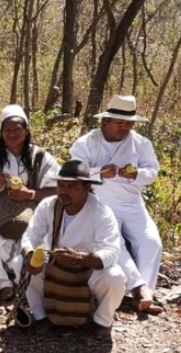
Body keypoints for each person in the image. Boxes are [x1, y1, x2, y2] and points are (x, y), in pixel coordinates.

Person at [69, 95, 163, 314]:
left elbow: (152, 171)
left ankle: (144, 292)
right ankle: (139, 289)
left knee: (151, 242)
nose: (125, 128)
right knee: (115, 243)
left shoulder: (141, 143)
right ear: (105, 121)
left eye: (129, 123)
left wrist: (136, 173)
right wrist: (99, 173)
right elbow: (73, 172)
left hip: (132, 202)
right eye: (120, 123)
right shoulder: (88, 142)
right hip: (100, 202)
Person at [20, 160, 129, 341]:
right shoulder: (49, 205)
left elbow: (111, 251)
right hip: (55, 263)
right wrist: (30, 255)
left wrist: (80, 258)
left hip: (87, 268)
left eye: (72, 187)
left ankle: (102, 321)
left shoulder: (101, 211)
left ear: (87, 187)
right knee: (20, 263)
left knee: (115, 276)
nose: (64, 191)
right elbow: (30, 237)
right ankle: (41, 316)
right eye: (61, 185)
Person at [0, 105, 60, 301]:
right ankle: (2, 282)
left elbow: (57, 189)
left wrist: (30, 194)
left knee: (38, 237)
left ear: (27, 130)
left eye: (17, 129)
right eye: (7, 130)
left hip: (35, 208)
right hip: (1, 210)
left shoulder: (40, 156)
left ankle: (30, 283)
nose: (12, 133)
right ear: (1, 133)